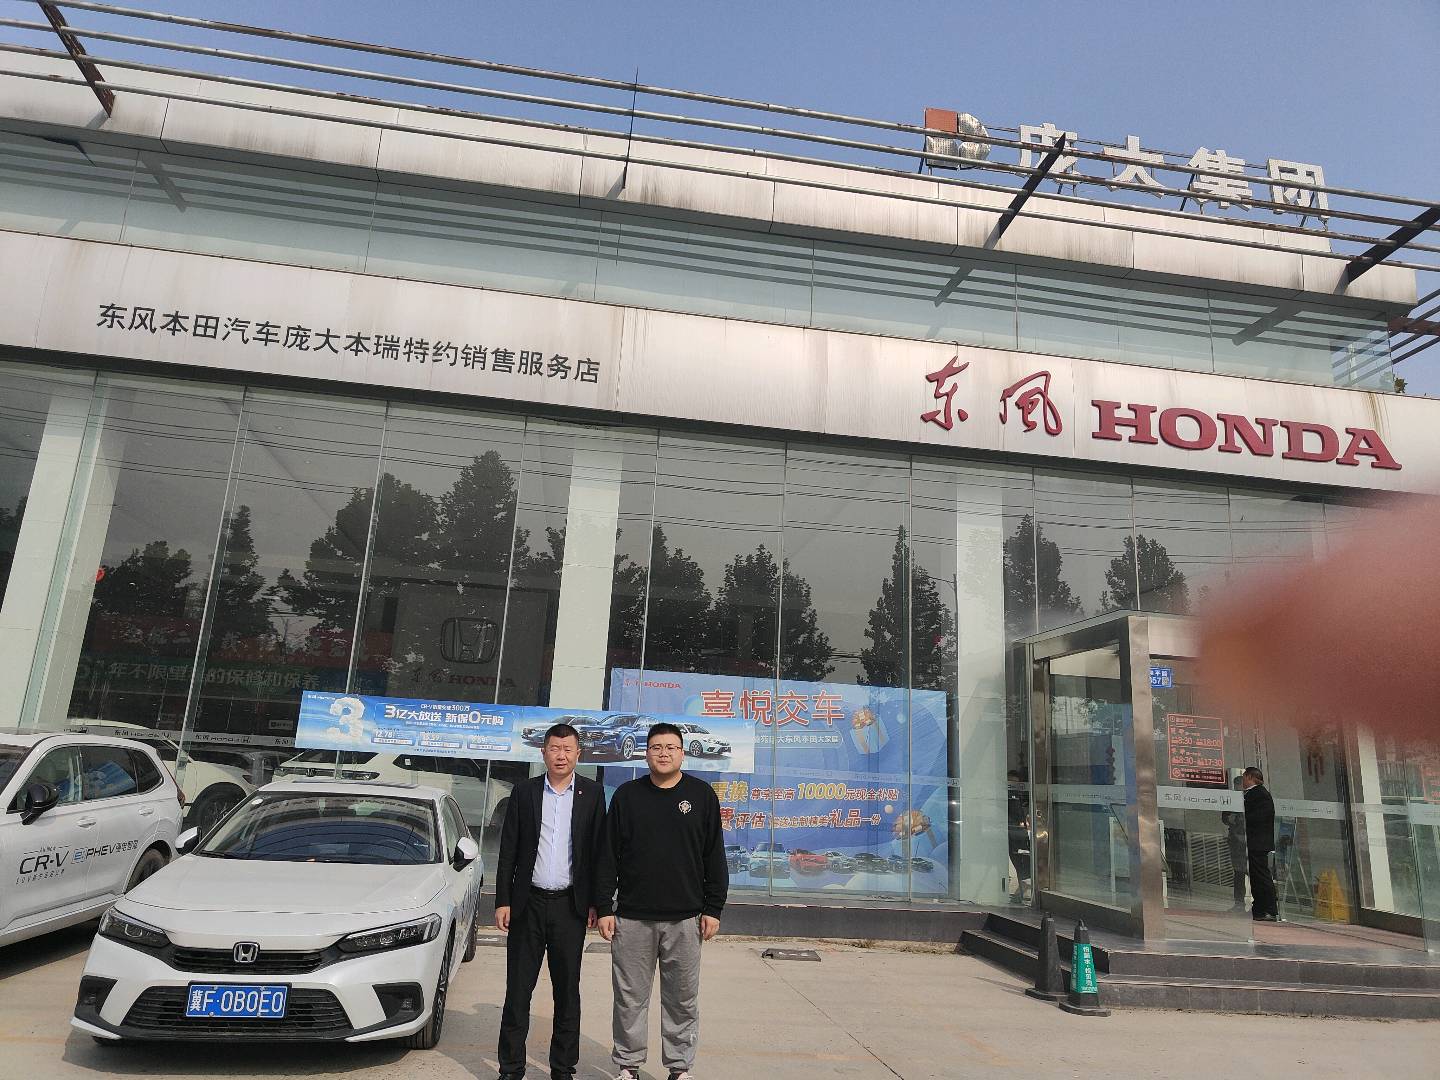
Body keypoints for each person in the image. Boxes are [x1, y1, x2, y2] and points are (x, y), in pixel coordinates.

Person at [596, 722, 727, 1080]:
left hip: (685, 919)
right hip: (632, 918)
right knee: (629, 998)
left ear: (682, 753)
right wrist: (605, 907)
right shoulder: (627, 796)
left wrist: (713, 908)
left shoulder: (701, 796)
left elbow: (714, 856)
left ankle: (679, 1068)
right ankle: (628, 1065)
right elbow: (608, 855)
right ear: (646, 753)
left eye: (671, 747)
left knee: (682, 1000)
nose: (663, 753)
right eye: (656, 747)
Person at [494, 723, 607, 1080]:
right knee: (518, 990)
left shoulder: (592, 793)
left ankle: (563, 1069)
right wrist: (503, 900)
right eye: (555, 749)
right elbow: (508, 849)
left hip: (570, 907)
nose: (561, 755)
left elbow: (597, 852)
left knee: (567, 992)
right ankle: (511, 1068)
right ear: (543, 753)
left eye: (567, 749)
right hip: (527, 904)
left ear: (578, 754)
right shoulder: (525, 792)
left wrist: (598, 903)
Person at [1241, 766, 1278, 922]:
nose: (1242, 781)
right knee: (1256, 877)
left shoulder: (1259, 794)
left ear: (1250, 777)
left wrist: (1242, 818)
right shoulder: (1254, 794)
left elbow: (1258, 817)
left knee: (1261, 876)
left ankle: (1269, 909)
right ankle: (1259, 909)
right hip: (1255, 841)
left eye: (1244, 777)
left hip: (1258, 842)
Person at [1220, 775, 1248, 912]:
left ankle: (1257, 903)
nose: (1238, 789)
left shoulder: (1251, 799)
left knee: (1250, 872)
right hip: (1236, 841)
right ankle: (1239, 903)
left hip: (1249, 840)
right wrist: (1230, 819)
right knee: (1238, 872)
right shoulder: (1231, 799)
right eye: (1236, 786)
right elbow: (1224, 817)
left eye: (1240, 786)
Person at [1005, 770, 1032, 903]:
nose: (1013, 786)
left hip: (1018, 833)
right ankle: (1022, 892)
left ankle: (1022, 891)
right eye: (1011, 783)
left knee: (1021, 862)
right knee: (1019, 862)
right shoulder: (1011, 796)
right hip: (1014, 833)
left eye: (1016, 783)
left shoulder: (1017, 796)